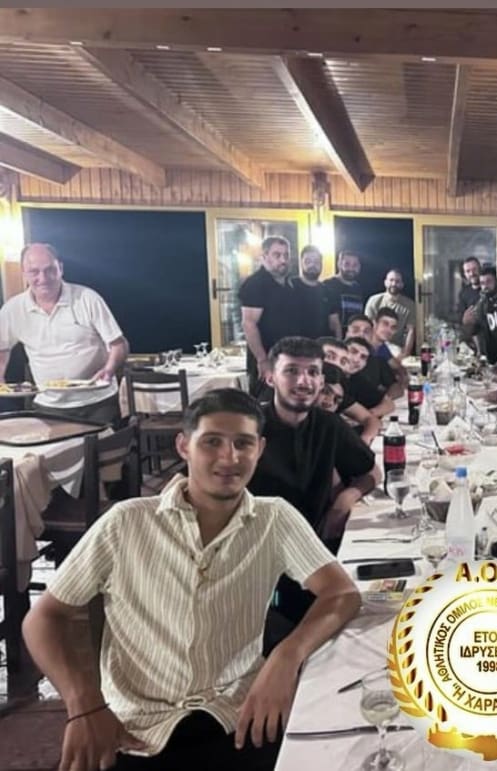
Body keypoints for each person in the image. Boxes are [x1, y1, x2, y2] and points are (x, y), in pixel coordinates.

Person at [21, 388, 361, 771]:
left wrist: (286, 656)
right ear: (184, 446)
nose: (229, 458)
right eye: (211, 442)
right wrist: (83, 702)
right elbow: (43, 618)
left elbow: (341, 593)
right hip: (134, 730)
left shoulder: (274, 519)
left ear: (260, 449)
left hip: (240, 716)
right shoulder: (126, 522)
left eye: (243, 443)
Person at [247, 337, 379, 626]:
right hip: (259, 560)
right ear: (270, 377)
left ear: (321, 380)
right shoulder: (249, 426)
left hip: (314, 549)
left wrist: (344, 500)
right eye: (291, 371)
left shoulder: (328, 424)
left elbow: (371, 472)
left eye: (312, 372)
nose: (303, 381)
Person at [0, 243, 129, 424]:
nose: (43, 278)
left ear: (60, 268)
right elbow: (2, 347)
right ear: (24, 273)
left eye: (50, 270)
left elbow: (119, 344)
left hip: (98, 402)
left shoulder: (87, 298)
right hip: (48, 405)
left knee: (105, 443)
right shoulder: (13, 309)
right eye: (34, 272)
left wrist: (109, 369)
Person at [238, 236, 302, 394]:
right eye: (277, 255)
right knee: (265, 403)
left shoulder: (289, 283)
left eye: (286, 255)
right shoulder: (255, 284)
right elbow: (249, 324)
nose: (283, 260)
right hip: (268, 359)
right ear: (264, 256)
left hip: (288, 357)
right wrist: (262, 360)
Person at [465, 264, 497, 364]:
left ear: (496, 281)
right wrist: (467, 322)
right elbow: (475, 330)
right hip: (492, 359)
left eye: (489, 281)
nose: (485, 286)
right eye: (482, 283)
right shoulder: (481, 304)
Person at [291, 245, 341, 339]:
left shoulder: (329, 291)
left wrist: (339, 344)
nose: (312, 265)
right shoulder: (289, 286)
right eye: (308, 261)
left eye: (316, 262)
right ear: (301, 263)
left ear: (321, 264)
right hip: (295, 344)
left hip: (321, 344)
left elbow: (335, 323)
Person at [364, 269, 416, 357]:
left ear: (402, 284)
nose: (394, 284)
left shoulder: (410, 305)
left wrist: (406, 353)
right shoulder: (374, 301)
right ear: (385, 282)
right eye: (391, 280)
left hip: (397, 349)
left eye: (397, 281)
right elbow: (368, 327)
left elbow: (411, 331)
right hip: (374, 346)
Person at [322, 250, 365, 328]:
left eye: (355, 265)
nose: (351, 268)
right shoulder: (327, 285)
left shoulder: (359, 288)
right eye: (347, 264)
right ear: (339, 264)